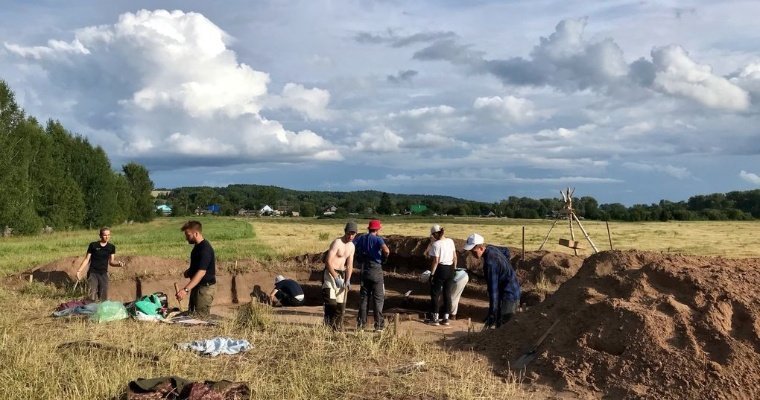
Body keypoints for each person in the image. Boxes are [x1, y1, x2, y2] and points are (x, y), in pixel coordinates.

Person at [463, 233, 521, 328]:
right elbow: (506, 251)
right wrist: (504, 268)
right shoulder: (491, 248)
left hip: (509, 294)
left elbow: (493, 291)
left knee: (504, 325)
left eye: (473, 251)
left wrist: (492, 312)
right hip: (512, 288)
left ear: (481, 248)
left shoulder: (490, 263)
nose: (472, 254)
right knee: (500, 322)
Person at [353, 219, 390, 332]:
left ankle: (361, 325)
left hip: (365, 269)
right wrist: (384, 257)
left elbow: (352, 246)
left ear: (369, 228)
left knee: (364, 298)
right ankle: (378, 326)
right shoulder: (378, 239)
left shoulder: (361, 238)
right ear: (377, 229)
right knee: (378, 299)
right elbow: (386, 250)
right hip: (376, 270)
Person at [175, 220, 216, 316]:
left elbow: (201, 272)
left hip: (204, 289)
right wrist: (189, 272)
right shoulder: (197, 247)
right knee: (192, 315)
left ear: (196, 233)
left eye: (188, 235)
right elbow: (198, 266)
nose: (186, 238)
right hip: (197, 287)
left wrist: (185, 290)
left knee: (200, 318)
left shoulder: (205, 249)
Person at [322, 221, 357, 330]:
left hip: (342, 275)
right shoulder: (337, 243)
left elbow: (350, 265)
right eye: (348, 234)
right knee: (331, 304)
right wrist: (336, 277)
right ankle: (327, 328)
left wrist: (348, 279)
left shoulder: (352, 246)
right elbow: (328, 261)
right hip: (330, 274)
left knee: (340, 307)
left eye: (353, 234)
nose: (350, 236)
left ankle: (336, 329)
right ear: (345, 232)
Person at [76, 227, 124, 301]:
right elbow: (87, 259)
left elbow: (111, 262)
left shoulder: (111, 247)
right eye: (105, 235)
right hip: (93, 273)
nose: (107, 237)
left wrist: (118, 264)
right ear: (100, 235)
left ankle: (102, 311)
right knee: (92, 296)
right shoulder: (93, 245)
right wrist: (79, 271)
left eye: (108, 235)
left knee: (103, 297)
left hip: (103, 274)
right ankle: (91, 310)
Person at [425, 224, 457, 326]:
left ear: (435, 234)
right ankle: (446, 318)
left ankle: (435, 318)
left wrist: (432, 274)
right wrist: (454, 269)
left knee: (435, 293)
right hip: (451, 269)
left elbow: (436, 261)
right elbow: (455, 257)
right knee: (447, 293)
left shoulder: (436, 245)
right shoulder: (450, 241)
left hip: (440, 269)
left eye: (433, 235)